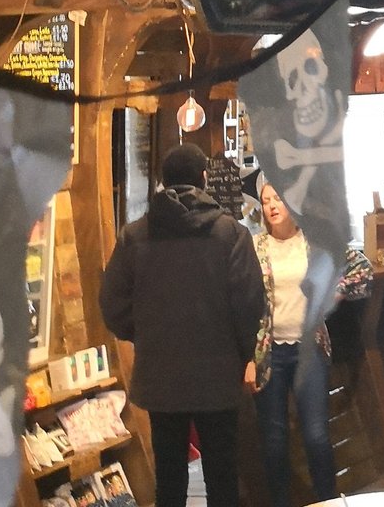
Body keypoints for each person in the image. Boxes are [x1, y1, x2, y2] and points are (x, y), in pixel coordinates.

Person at [100, 143, 265, 507]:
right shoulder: (231, 235)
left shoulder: (134, 235)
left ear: (161, 181)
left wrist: (145, 332)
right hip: (218, 373)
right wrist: (242, 352)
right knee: (222, 478)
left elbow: (111, 306)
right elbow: (249, 303)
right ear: (204, 179)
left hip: (161, 374)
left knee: (170, 481)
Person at [246, 180, 373, 507]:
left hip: (308, 351)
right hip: (268, 355)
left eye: (279, 199)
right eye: (266, 200)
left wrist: (336, 291)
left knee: (317, 435)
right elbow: (241, 300)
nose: (272, 206)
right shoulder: (255, 247)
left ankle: (328, 502)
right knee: (274, 441)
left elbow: (362, 269)